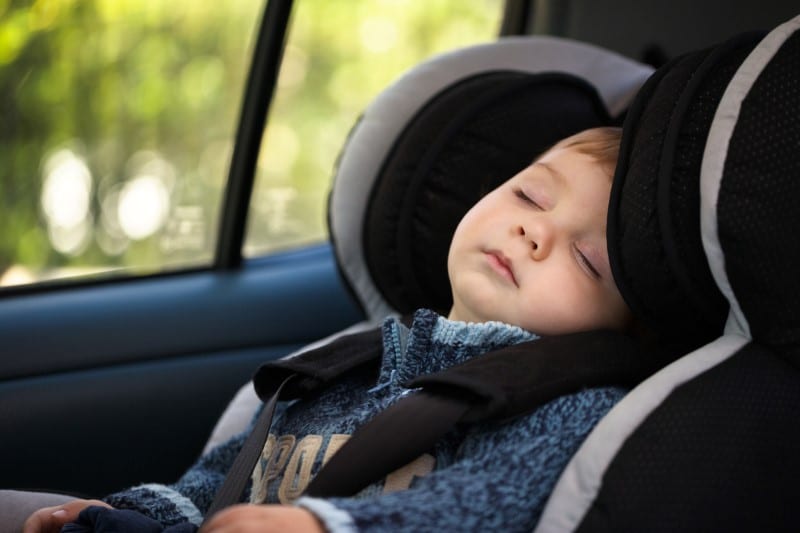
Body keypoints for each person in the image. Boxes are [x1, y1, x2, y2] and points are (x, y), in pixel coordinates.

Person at [24, 126, 631, 533]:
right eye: (529, 195)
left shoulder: (570, 409)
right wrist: (125, 515)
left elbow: (491, 502)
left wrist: (323, 525)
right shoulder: (352, 361)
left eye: (587, 259)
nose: (535, 232)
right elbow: (220, 479)